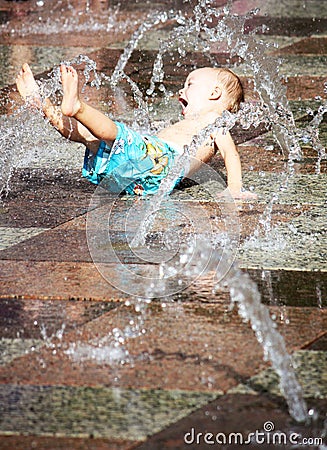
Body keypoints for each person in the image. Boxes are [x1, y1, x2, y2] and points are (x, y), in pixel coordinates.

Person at [15, 63, 257, 199]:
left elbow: (231, 154)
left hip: (159, 160)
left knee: (115, 133)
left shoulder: (215, 122)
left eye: (190, 85)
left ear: (214, 93)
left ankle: (77, 107)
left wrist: (235, 188)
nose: (181, 91)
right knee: (88, 136)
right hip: (143, 182)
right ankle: (41, 104)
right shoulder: (195, 125)